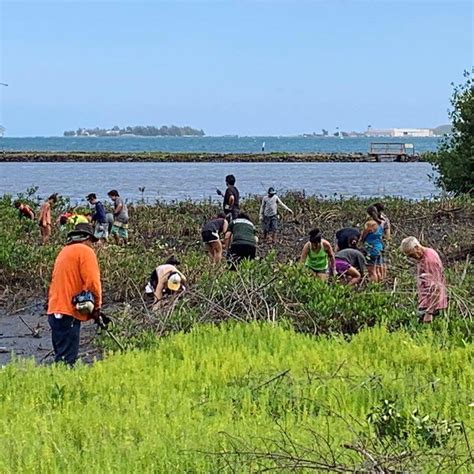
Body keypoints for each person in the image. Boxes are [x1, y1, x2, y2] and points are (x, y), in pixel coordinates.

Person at [46, 223, 102, 365]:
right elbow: (92, 283)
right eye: (92, 242)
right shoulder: (86, 252)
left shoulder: (64, 251)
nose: (92, 245)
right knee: (67, 361)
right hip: (68, 312)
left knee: (60, 357)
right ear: (87, 238)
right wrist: (97, 307)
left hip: (54, 310)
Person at [400, 237, 448, 323]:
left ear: (417, 247)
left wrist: (429, 313)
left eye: (411, 255)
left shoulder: (429, 261)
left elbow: (436, 288)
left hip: (431, 305)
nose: (411, 258)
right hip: (427, 302)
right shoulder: (427, 252)